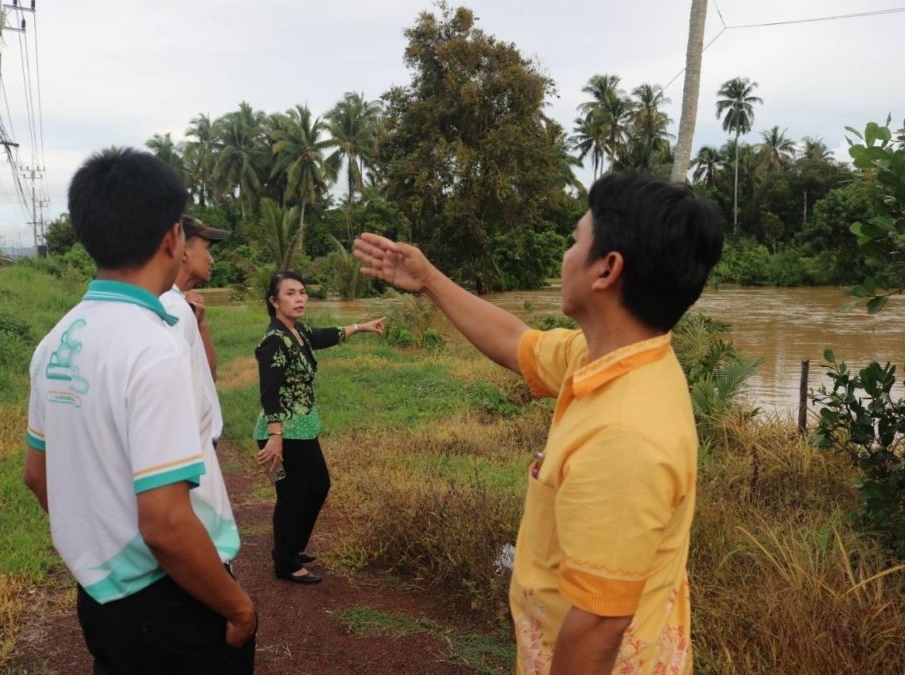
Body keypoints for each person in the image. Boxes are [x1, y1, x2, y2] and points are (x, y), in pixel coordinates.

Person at [354, 173, 723, 674]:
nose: (564, 256)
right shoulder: (607, 357)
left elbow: (598, 627)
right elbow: (515, 342)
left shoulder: (626, 436)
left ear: (607, 269)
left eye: (575, 241)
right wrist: (428, 280)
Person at [22, 147, 256, 673]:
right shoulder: (155, 348)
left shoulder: (54, 343)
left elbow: (38, 476)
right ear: (172, 237)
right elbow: (166, 525)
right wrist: (239, 609)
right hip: (173, 603)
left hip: (101, 600)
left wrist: (100, 548)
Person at [253, 270, 385, 584]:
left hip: (304, 428)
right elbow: (269, 391)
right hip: (284, 432)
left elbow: (325, 335)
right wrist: (275, 436)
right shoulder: (274, 340)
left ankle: (291, 547)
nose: (299, 298)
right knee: (292, 495)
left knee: (318, 486)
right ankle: (285, 563)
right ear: (274, 301)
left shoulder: (297, 331)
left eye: (302, 292)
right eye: (290, 293)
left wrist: (361, 327)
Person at [159, 215, 230, 450]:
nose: (211, 259)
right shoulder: (172, 307)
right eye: (207, 249)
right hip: (191, 445)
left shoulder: (182, 304)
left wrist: (201, 325)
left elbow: (208, 374)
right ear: (183, 251)